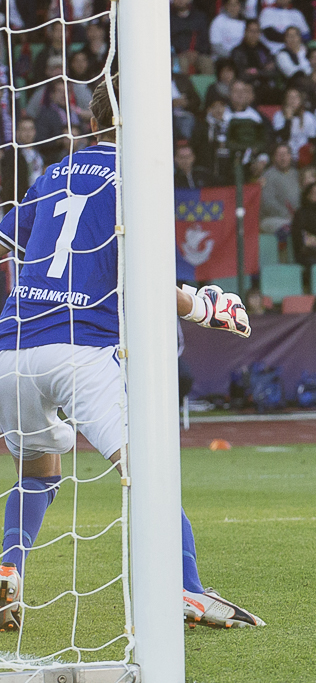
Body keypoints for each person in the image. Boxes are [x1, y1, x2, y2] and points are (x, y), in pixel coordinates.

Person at [0, 78, 261, 632]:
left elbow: (10, 240)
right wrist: (203, 307)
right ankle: (186, 590)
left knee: (39, 472)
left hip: (13, 348)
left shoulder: (52, 173)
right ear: (148, 123)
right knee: (150, 474)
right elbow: (144, 278)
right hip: (82, 351)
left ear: (92, 122)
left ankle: (9, 567)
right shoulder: (139, 179)